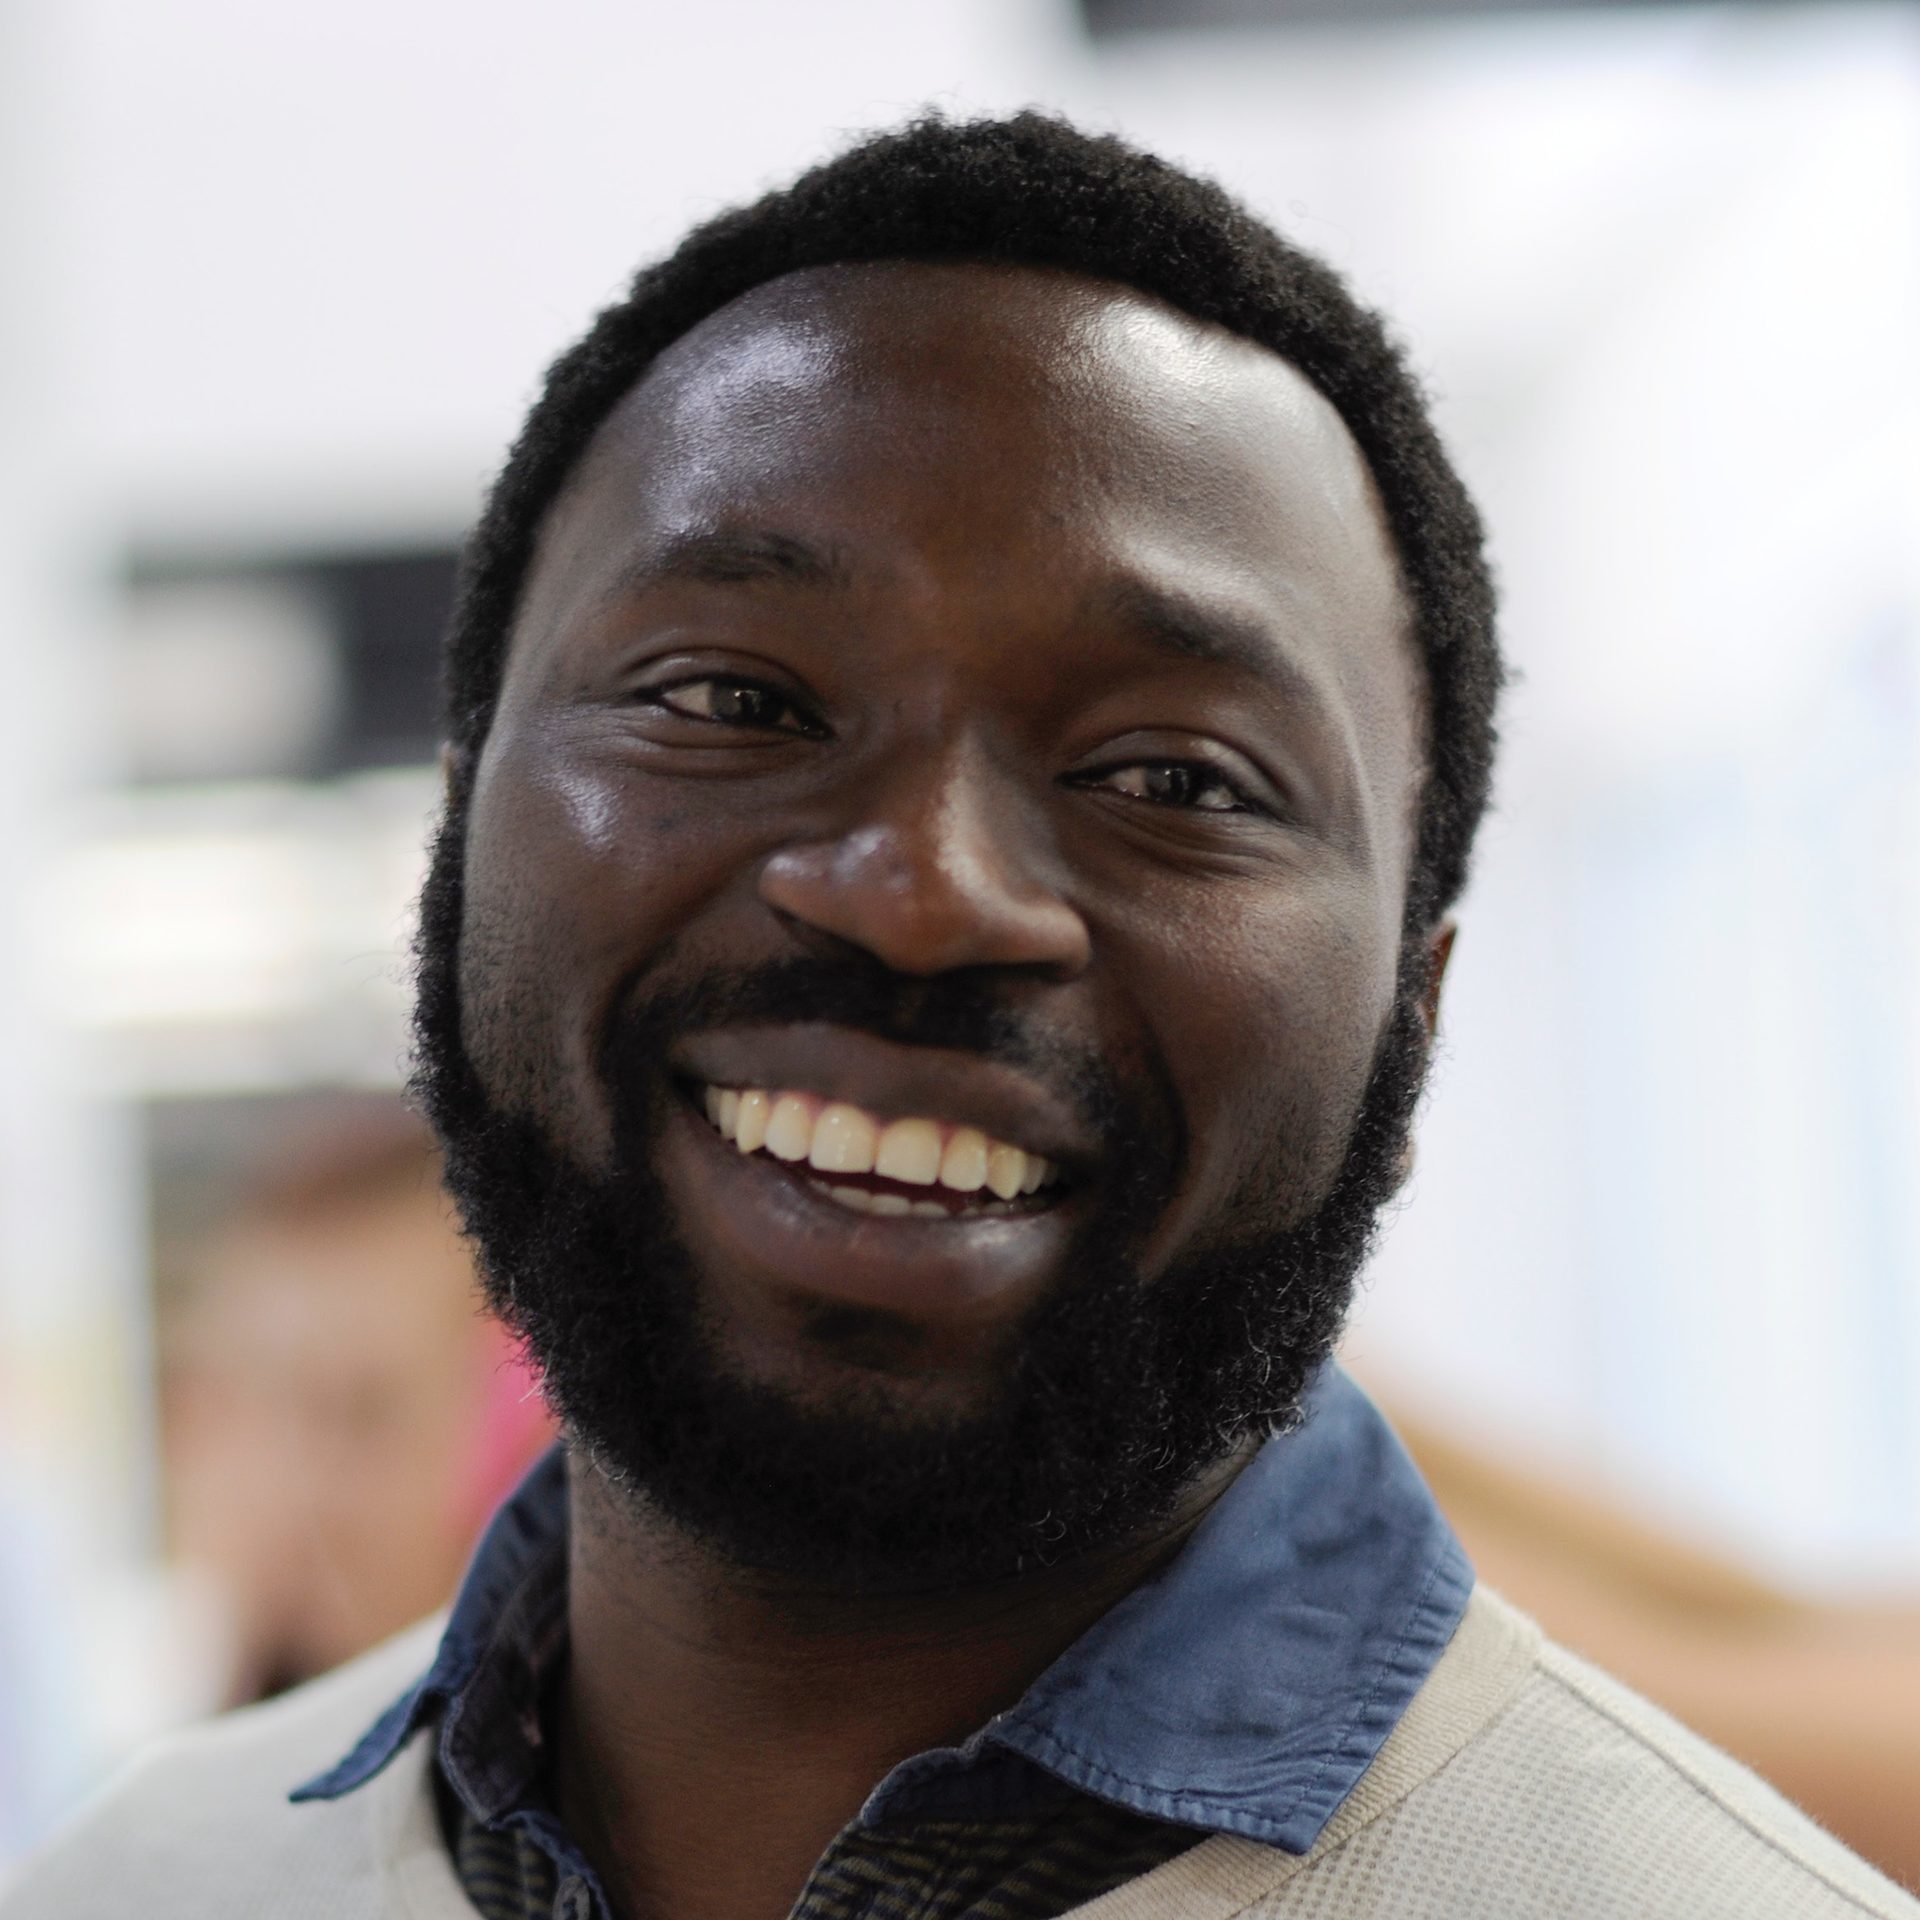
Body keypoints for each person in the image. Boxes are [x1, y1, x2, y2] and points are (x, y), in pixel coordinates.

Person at [6, 112, 1913, 1920]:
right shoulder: (137, 1884)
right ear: (458, 850)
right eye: (734, 699)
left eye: (1174, 779)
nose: (921, 891)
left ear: (1414, 1018)